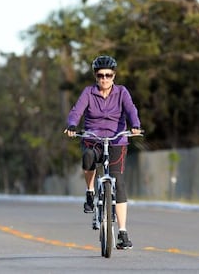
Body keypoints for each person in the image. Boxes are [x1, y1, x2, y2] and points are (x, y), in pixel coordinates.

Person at [64, 55, 142, 250]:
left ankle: (123, 232)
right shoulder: (88, 93)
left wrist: (135, 125)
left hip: (117, 141)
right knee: (88, 157)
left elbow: (131, 110)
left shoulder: (122, 92)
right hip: (93, 138)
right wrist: (72, 125)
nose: (104, 79)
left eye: (108, 75)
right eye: (100, 75)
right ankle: (90, 192)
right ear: (95, 76)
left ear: (114, 76)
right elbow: (76, 111)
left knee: (119, 182)